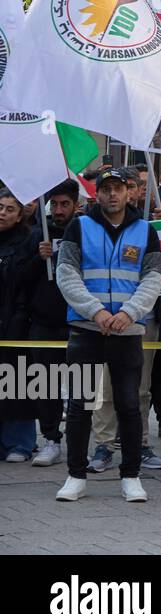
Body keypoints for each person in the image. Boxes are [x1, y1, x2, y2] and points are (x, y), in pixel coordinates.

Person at [53, 170, 161, 502]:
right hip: (87, 329)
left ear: (129, 193)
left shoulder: (146, 231)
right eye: (106, 189)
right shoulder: (79, 226)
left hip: (127, 330)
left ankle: (130, 476)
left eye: (118, 188)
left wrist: (129, 312)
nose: (112, 194)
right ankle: (76, 476)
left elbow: (153, 276)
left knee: (129, 405)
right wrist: (96, 311)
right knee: (79, 406)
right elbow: (66, 273)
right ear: (96, 195)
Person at [23, 181, 81, 467]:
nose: (58, 210)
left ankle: (83, 442)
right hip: (45, 321)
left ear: (75, 205)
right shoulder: (37, 234)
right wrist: (38, 257)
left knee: (83, 386)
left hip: (79, 321)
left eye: (64, 204)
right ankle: (51, 439)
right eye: (54, 205)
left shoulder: (84, 232)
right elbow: (20, 279)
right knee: (46, 385)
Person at [0, 189, 35, 463]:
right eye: (0, 207)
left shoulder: (28, 240)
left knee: (17, 383)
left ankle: (19, 443)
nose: (3, 213)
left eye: (10, 209)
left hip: (16, 320)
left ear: (21, 214)